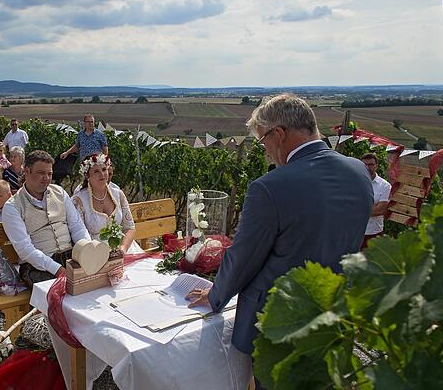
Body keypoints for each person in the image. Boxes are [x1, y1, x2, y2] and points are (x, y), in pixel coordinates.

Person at [184, 94, 373, 370]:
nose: (265, 152)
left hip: (279, 324)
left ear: (280, 134)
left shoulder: (270, 187)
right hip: (334, 316)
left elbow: (245, 256)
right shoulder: (358, 172)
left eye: (263, 141)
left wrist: (215, 296)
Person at [2, 150, 91, 287]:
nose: (46, 178)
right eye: (41, 173)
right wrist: (58, 270)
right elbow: (25, 250)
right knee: (60, 291)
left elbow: (77, 226)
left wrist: (85, 251)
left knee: (94, 280)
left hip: (70, 256)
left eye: (49, 174)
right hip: (38, 266)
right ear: (27, 171)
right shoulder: (12, 207)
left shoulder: (59, 192)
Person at [72, 154, 142, 254]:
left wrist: (123, 248)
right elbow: (78, 235)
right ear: (87, 175)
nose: (102, 174)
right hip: (95, 253)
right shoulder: (79, 200)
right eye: (96, 171)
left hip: (125, 250)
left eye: (104, 169)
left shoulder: (118, 194)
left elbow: (129, 227)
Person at [360, 153, 392, 249]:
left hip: (373, 233)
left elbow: (380, 210)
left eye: (371, 164)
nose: (367, 167)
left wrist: (356, 209)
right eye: (364, 165)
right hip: (356, 231)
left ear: (376, 166)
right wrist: (371, 207)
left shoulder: (385, 186)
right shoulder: (355, 182)